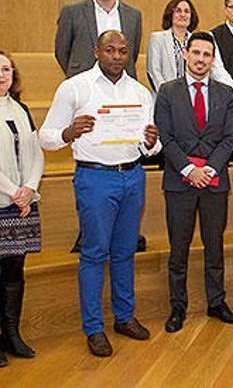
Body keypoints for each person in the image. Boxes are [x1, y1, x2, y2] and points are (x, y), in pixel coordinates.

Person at [39, 30, 160, 357]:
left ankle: (124, 317)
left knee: (124, 252)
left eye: (123, 50)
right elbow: (46, 137)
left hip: (132, 175)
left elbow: (151, 145)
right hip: (95, 179)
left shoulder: (140, 92)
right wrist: (68, 132)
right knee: (94, 253)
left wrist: (152, 142)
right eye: (110, 49)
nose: (117, 55)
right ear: (97, 51)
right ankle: (93, 328)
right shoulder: (75, 87)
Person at [154, 31, 233, 333]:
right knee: (179, 248)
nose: (201, 59)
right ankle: (178, 306)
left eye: (207, 54)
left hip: (215, 182)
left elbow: (230, 138)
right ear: (185, 55)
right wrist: (190, 170)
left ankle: (216, 302)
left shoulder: (226, 93)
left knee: (214, 245)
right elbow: (166, 137)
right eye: (196, 53)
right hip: (179, 181)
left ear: (213, 59)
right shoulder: (167, 92)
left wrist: (210, 169)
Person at [0, 52, 43, 367]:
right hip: (6, 199)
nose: (2, 74)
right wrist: (14, 191)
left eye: (5, 69)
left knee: (15, 269)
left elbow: (35, 152)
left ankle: (11, 333)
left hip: (21, 204)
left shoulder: (21, 110)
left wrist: (29, 187)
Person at [55, 0, 142, 79]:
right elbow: (62, 51)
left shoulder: (133, 15)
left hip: (122, 82)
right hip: (83, 80)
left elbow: (133, 52)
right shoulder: (72, 12)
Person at [146, 0, 233, 92]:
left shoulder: (199, 41)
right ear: (170, 14)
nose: (182, 14)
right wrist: (168, 95)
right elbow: (154, 72)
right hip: (165, 97)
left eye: (186, 11)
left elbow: (217, 71)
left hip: (194, 96)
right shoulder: (157, 38)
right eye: (178, 11)